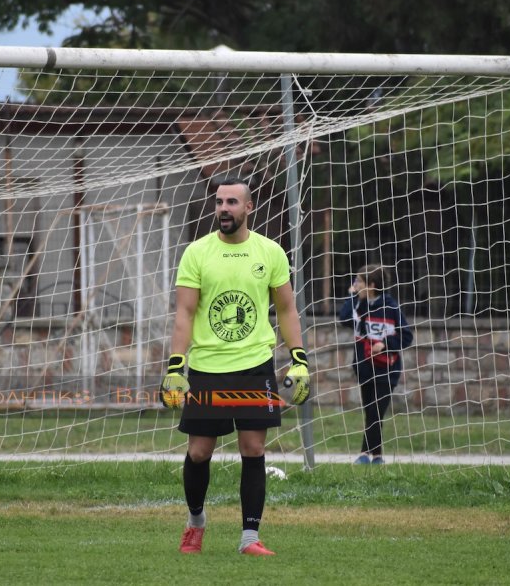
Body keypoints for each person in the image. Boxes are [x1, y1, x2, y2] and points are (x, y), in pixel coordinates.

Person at [159, 177, 310, 556]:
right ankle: (195, 522)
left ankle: (249, 538)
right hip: (208, 368)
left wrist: (299, 360)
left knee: (254, 448)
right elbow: (185, 312)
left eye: (231, 202)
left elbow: (287, 309)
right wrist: (176, 366)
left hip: (255, 365)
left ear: (248, 208)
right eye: (219, 202)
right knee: (198, 453)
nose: (223, 208)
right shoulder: (197, 252)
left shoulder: (270, 252)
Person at [338, 263, 412, 465]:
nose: (355, 285)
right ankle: (377, 456)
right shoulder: (357, 305)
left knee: (376, 411)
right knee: (370, 410)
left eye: (359, 281)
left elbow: (407, 336)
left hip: (387, 368)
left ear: (371, 284)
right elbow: (343, 318)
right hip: (364, 367)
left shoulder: (391, 307)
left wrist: (385, 344)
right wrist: (353, 295)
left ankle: (364, 454)